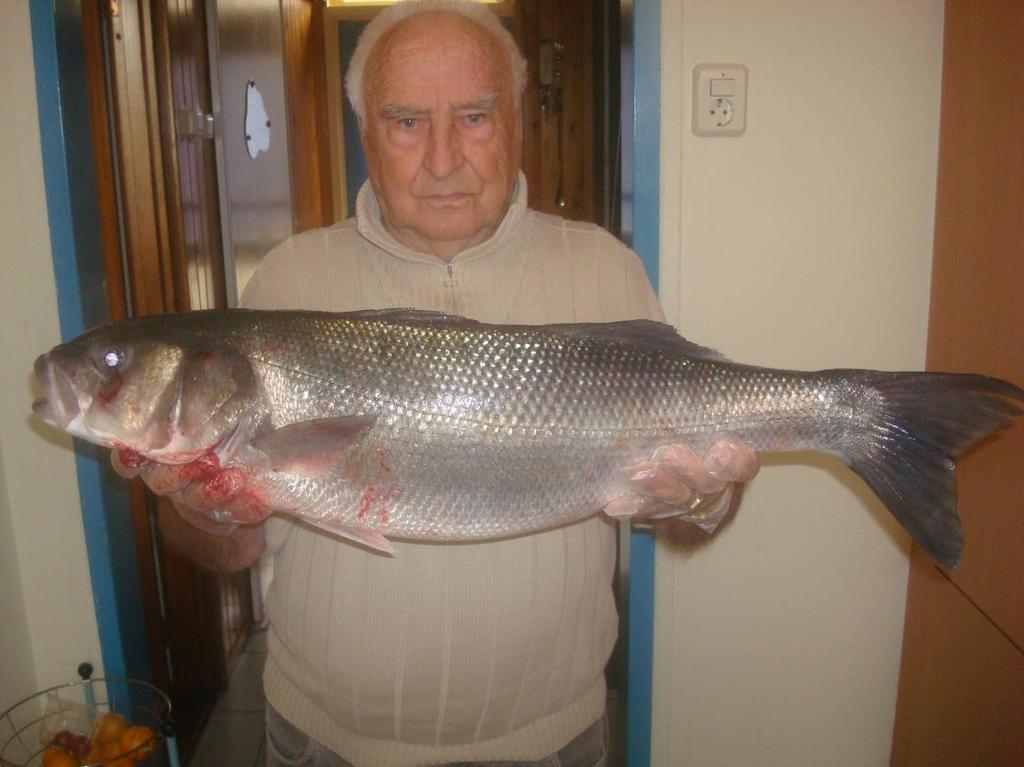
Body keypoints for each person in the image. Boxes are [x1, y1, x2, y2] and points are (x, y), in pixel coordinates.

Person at [118, 3, 759, 765]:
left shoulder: (604, 270)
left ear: (518, 121)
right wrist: (205, 513)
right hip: (330, 738)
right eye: (407, 122)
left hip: (552, 738)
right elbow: (228, 549)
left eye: (476, 117)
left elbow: (686, 519)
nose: (445, 158)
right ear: (366, 137)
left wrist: (703, 495)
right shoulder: (287, 280)